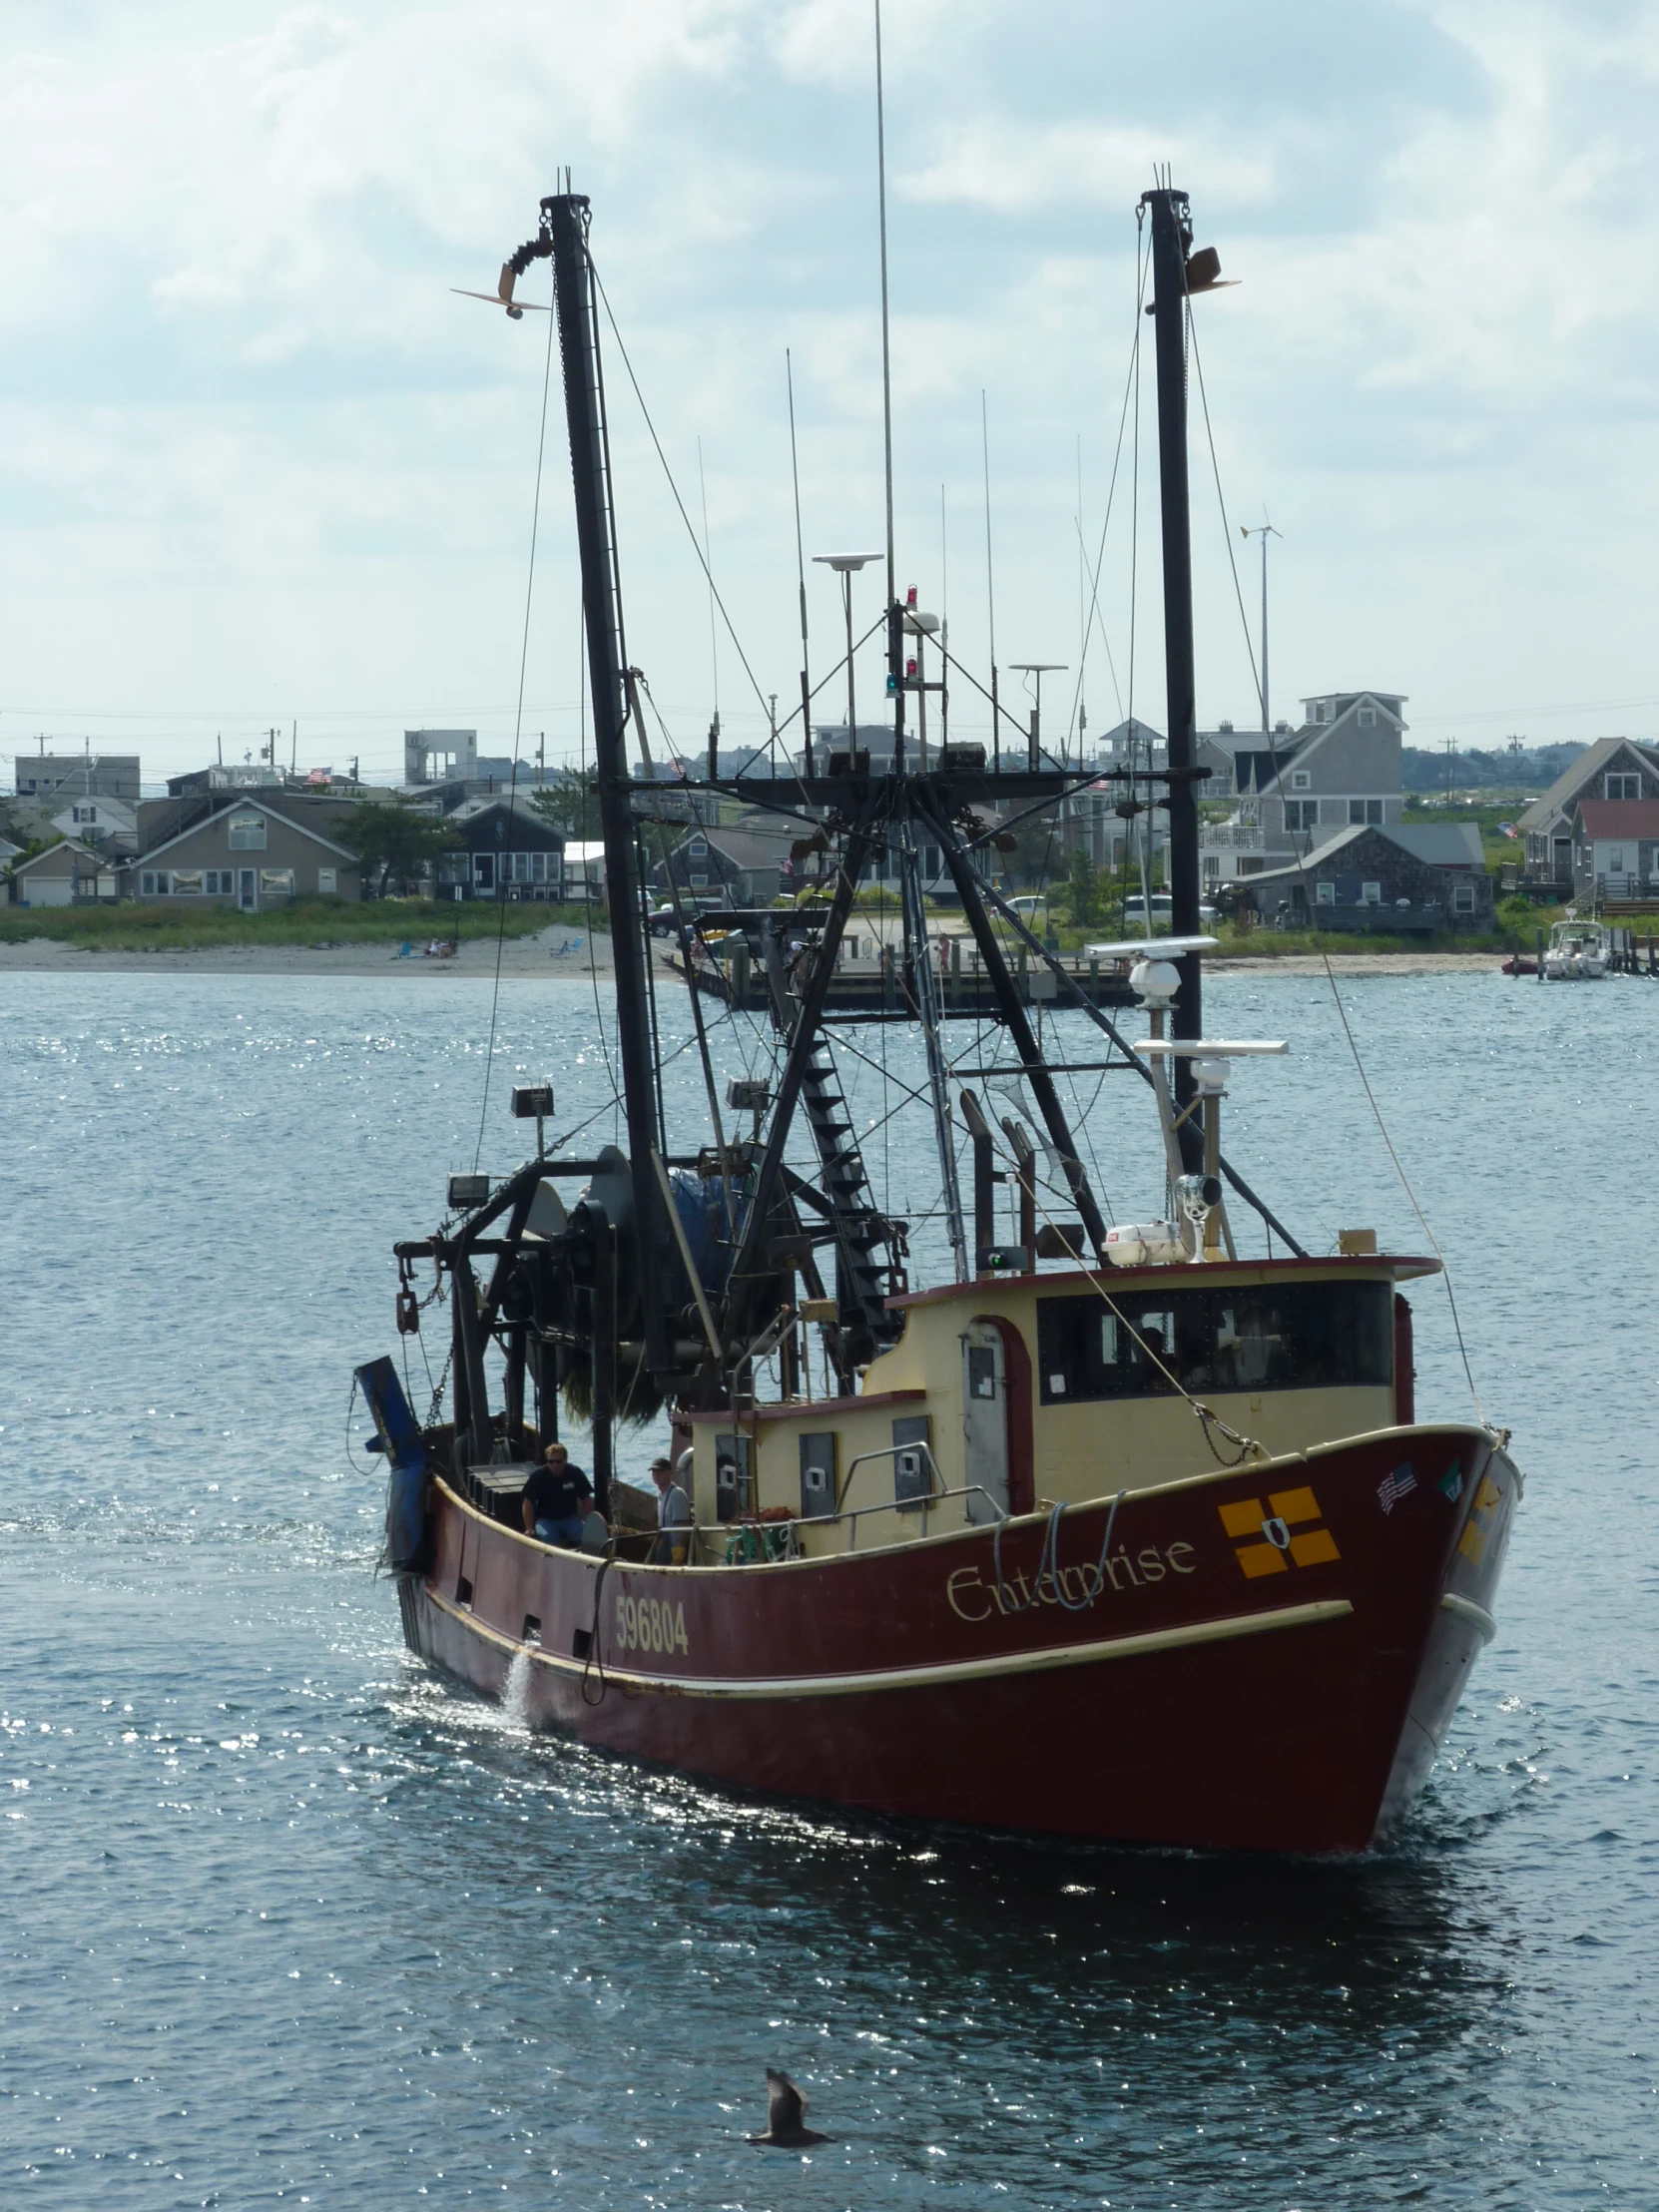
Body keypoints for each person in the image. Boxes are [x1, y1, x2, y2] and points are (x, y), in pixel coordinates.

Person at [521, 1441, 594, 1549]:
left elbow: (586, 1499)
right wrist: (529, 1528)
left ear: (565, 1460)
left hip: (569, 1518)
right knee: (548, 1537)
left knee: (585, 1535)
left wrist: (584, 1520)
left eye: (558, 1461)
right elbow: (528, 1502)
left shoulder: (574, 1473)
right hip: (545, 1520)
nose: (554, 1465)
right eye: (551, 1461)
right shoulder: (538, 1476)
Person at [649, 1454, 693, 1564]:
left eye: (660, 1471)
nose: (656, 1475)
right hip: (664, 1548)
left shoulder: (677, 1494)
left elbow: (684, 1527)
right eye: (653, 1472)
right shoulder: (660, 1496)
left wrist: (678, 1558)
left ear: (669, 1473)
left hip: (674, 1552)